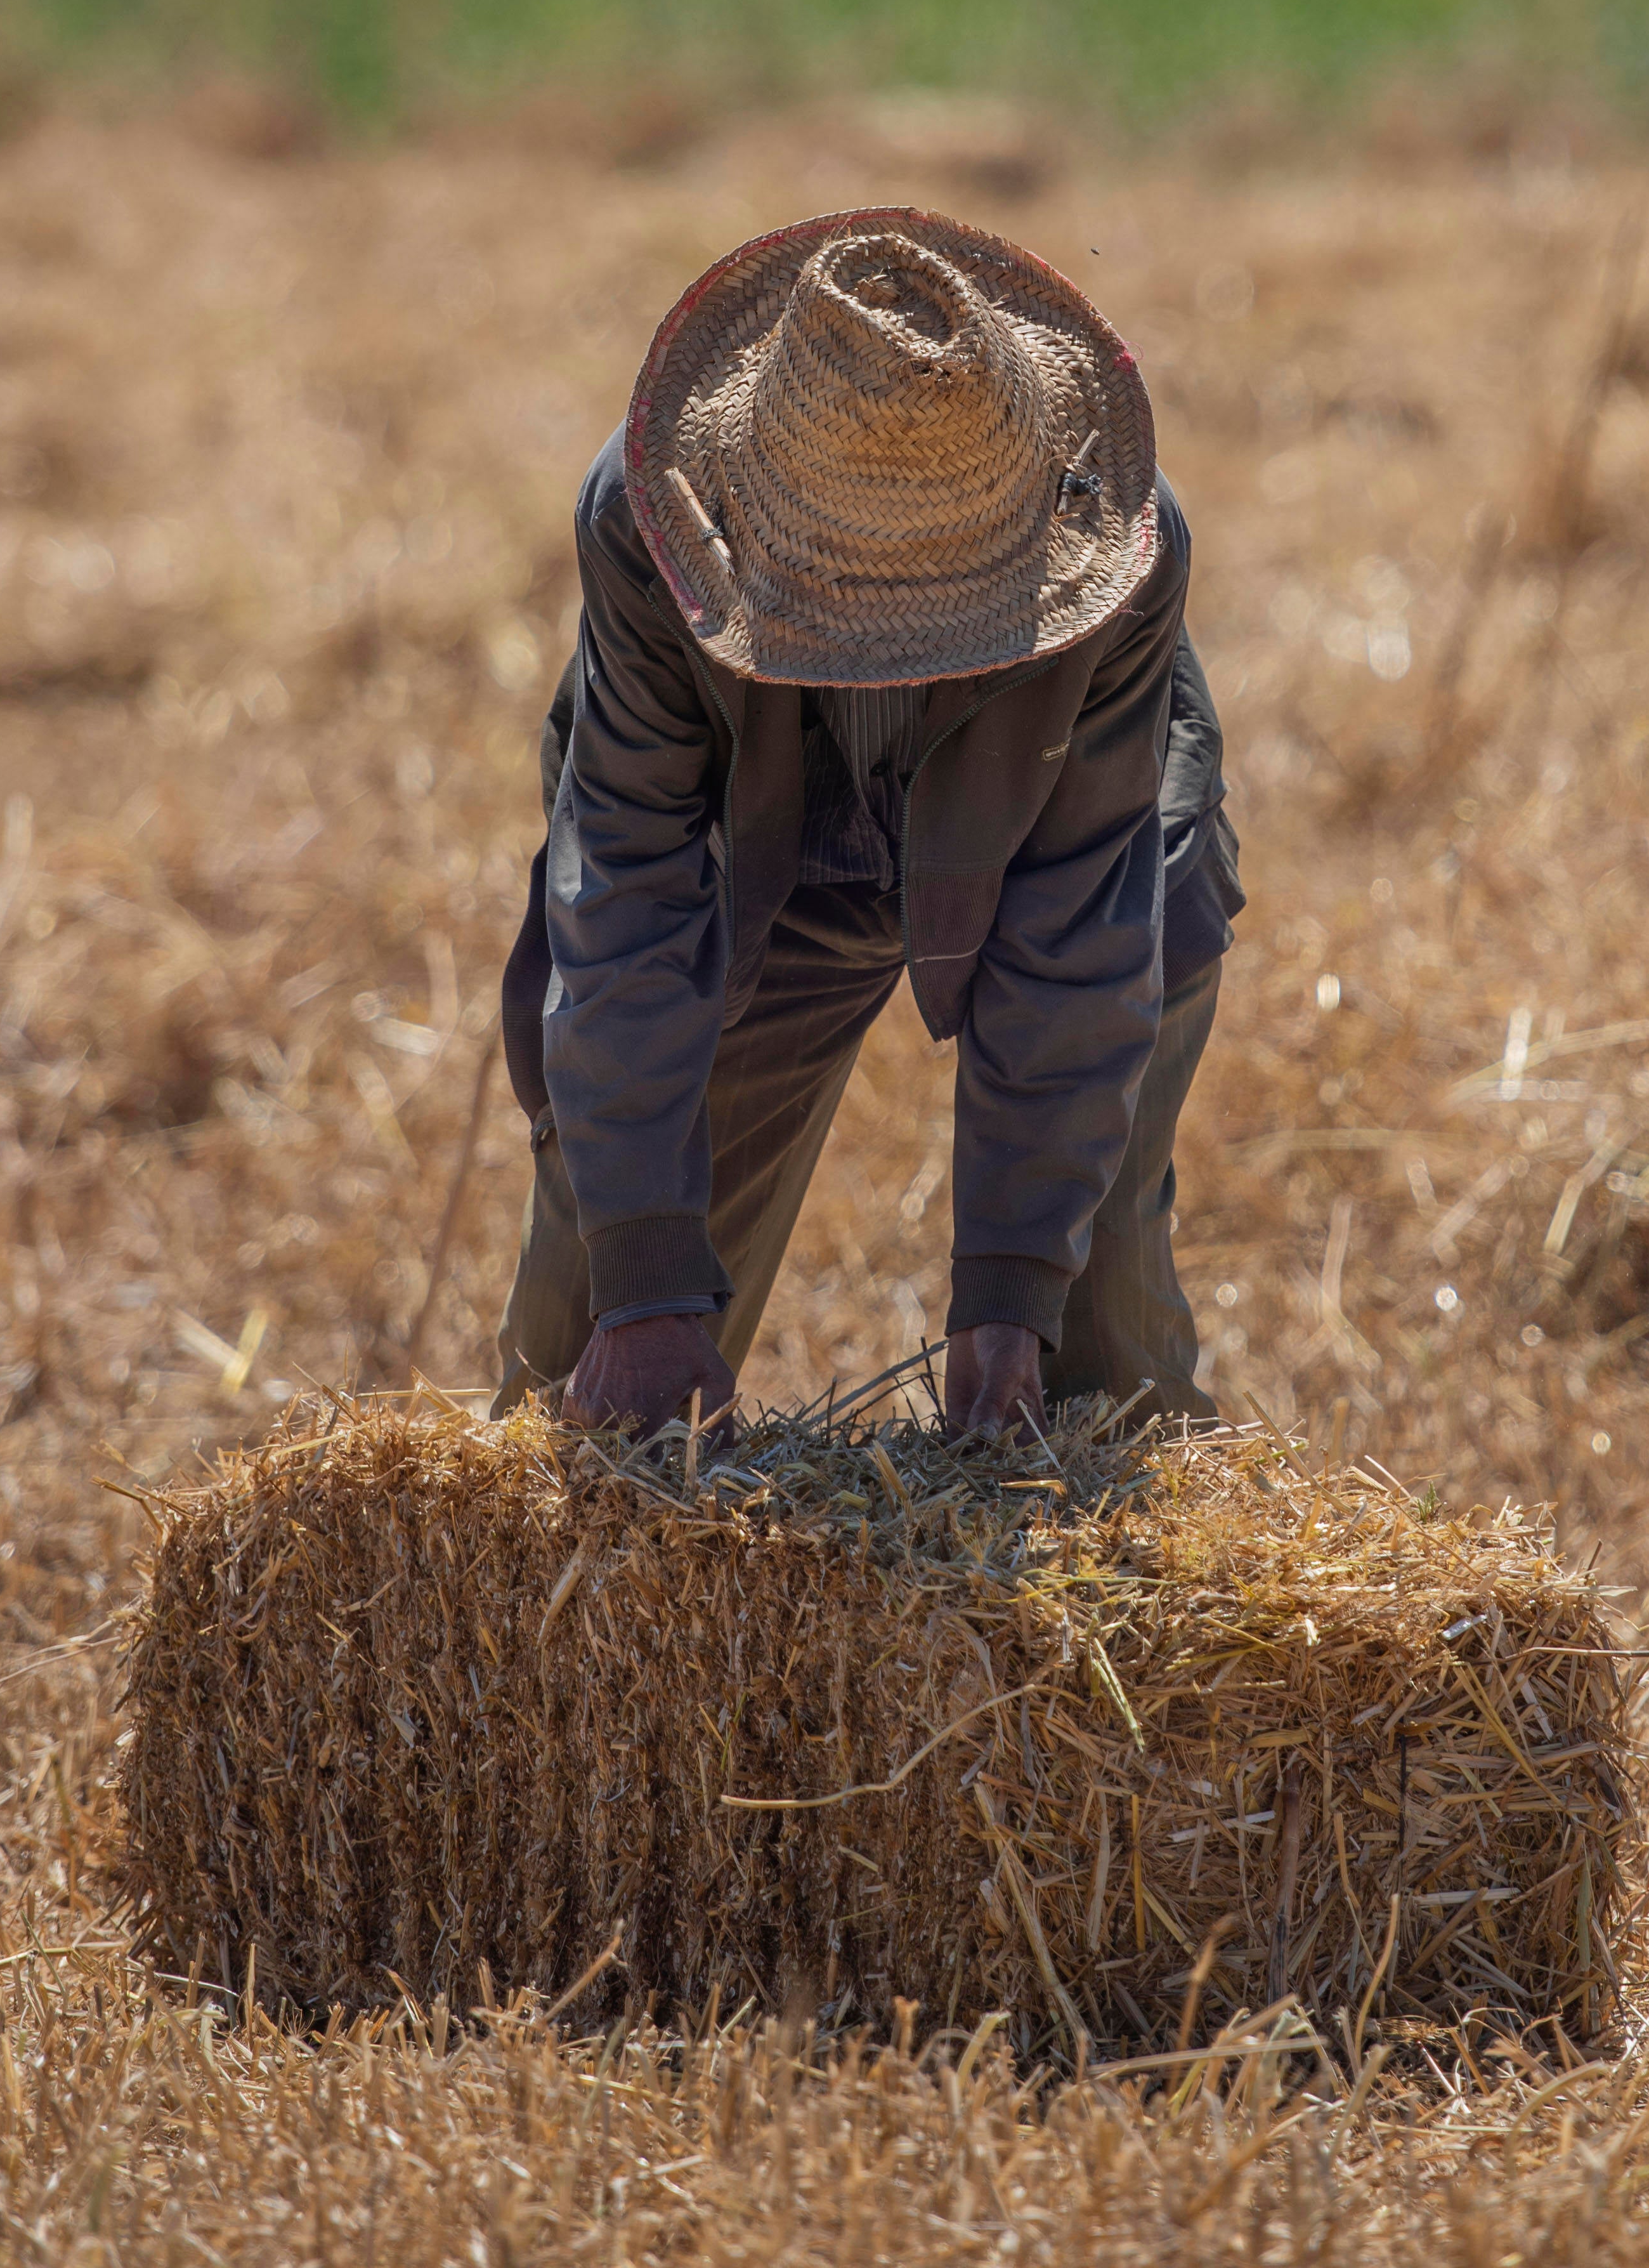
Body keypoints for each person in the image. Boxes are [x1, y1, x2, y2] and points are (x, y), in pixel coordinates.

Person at [486, 208, 1241, 1439]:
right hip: (751, 862)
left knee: (1086, 1363)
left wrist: (1008, 1296)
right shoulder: (651, 525)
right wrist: (643, 1278)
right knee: (597, 1371)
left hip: (1062, 826)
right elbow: (626, 888)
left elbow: (1076, 935)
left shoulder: (1116, 557)